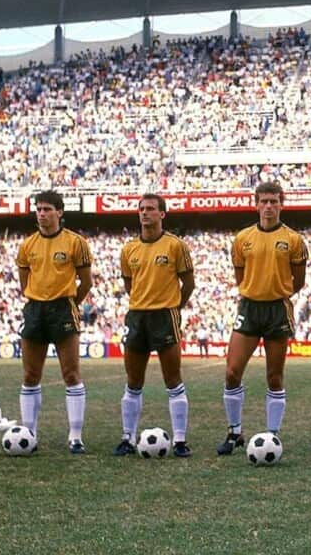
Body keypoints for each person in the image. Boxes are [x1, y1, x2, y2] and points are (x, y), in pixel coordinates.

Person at [216, 182, 307, 455]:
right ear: (256, 203)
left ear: (282, 204)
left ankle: (273, 434)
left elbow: (298, 281)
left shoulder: (293, 240)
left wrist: (274, 291)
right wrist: (255, 292)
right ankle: (234, 432)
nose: (269, 206)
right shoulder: (242, 238)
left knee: (274, 377)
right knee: (232, 372)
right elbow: (240, 277)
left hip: (277, 309)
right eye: (264, 201)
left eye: (274, 201)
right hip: (249, 308)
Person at [115, 194, 195, 457]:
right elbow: (130, 285)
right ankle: (127, 438)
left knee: (173, 380)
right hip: (137, 317)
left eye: (150, 209)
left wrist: (174, 307)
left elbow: (189, 283)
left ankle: (180, 440)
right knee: (133, 381)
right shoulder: (129, 250)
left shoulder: (176, 246)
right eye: (141, 209)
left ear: (162, 214)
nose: (145, 213)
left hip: (165, 316)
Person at [16, 190, 93, 454]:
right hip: (35, 310)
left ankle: (75, 435)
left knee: (71, 374)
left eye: (47, 209)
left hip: (63, 309)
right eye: (38, 209)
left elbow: (87, 282)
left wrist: (70, 302)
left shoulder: (75, 243)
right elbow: (23, 280)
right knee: (30, 375)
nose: (42, 214)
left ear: (59, 212)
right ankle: (29, 433)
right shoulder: (27, 245)